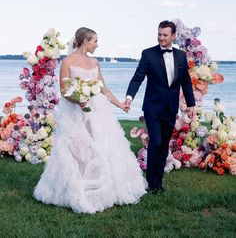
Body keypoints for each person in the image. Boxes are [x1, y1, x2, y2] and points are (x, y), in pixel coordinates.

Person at [33, 27, 146, 213]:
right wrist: (78, 99)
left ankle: (104, 190)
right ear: (85, 41)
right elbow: (64, 91)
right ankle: (76, 188)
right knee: (77, 150)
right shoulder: (67, 62)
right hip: (75, 112)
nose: (97, 44)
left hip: (97, 112)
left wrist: (120, 104)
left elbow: (103, 88)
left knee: (101, 147)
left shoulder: (94, 62)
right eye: (95, 41)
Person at [125, 20, 196, 193]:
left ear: (173, 36)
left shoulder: (180, 56)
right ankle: (151, 183)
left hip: (171, 108)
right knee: (155, 142)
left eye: (165, 35)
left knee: (164, 145)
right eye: (159, 34)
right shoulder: (148, 54)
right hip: (152, 107)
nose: (161, 38)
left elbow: (185, 81)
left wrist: (191, 103)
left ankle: (158, 182)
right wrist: (129, 96)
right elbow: (138, 77)